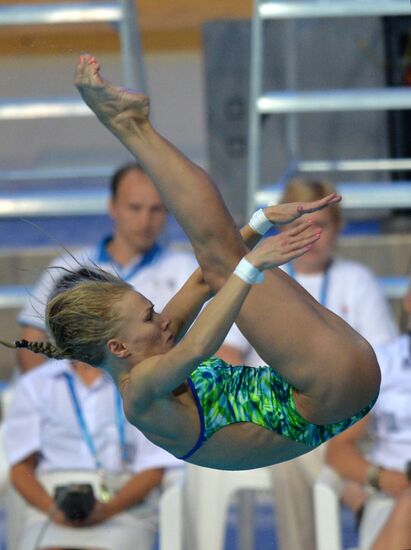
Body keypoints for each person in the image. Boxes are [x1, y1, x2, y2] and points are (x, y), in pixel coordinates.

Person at [1, 54, 380, 471]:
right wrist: (251, 266)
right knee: (224, 263)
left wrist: (257, 223)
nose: (164, 319)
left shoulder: (152, 343)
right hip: (327, 393)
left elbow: (203, 280)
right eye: (149, 316)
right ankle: (132, 127)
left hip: (329, 387)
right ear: (118, 347)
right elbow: (201, 345)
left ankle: (134, 127)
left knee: (218, 259)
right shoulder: (140, 391)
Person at [264, 178, 399, 550]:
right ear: (280, 229)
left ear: (338, 230)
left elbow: (386, 366)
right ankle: (355, 494)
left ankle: (356, 491)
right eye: (300, 225)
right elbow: (227, 351)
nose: (312, 236)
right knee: (290, 445)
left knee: (308, 441)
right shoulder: (264, 280)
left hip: (351, 418)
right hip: (281, 414)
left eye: (321, 226)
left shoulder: (357, 282)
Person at [17, 160, 245, 373]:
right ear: (113, 206)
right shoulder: (66, 269)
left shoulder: (186, 267)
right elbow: (31, 345)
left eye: (156, 209)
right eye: (135, 208)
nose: (145, 221)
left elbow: (229, 352)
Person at [3, 352, 180, 550]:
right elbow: (21, 469)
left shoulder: (139, 385)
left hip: (123, 501)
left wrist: (109, 509)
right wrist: (54, 509)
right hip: (49, 503)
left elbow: (153, 468)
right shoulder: (36, 384)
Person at [326, 278, 411, 550]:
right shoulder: (382, 364)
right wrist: (382, 479)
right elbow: (338, 451)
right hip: (392, 493)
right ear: (408, 300)